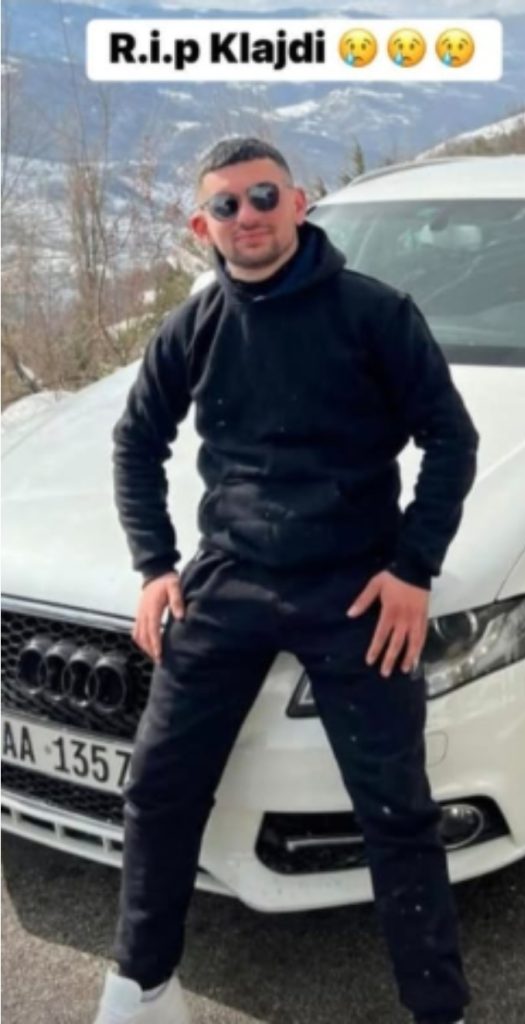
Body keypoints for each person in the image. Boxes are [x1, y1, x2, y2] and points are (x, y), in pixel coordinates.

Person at [94, 136, 479, 1024]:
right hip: (229, 579)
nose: (248, 216)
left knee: (396, 811)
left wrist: (412, 567)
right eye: (226, 205)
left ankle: (437, 1008)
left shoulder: (372, 313)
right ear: (203, 226)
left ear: (298, 203)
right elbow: (136, 441)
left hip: (355, 586)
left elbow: (450, 439)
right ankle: (143, 986)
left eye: (264, 196)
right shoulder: (195, 325)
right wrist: (153, 564)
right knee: (157, 788)